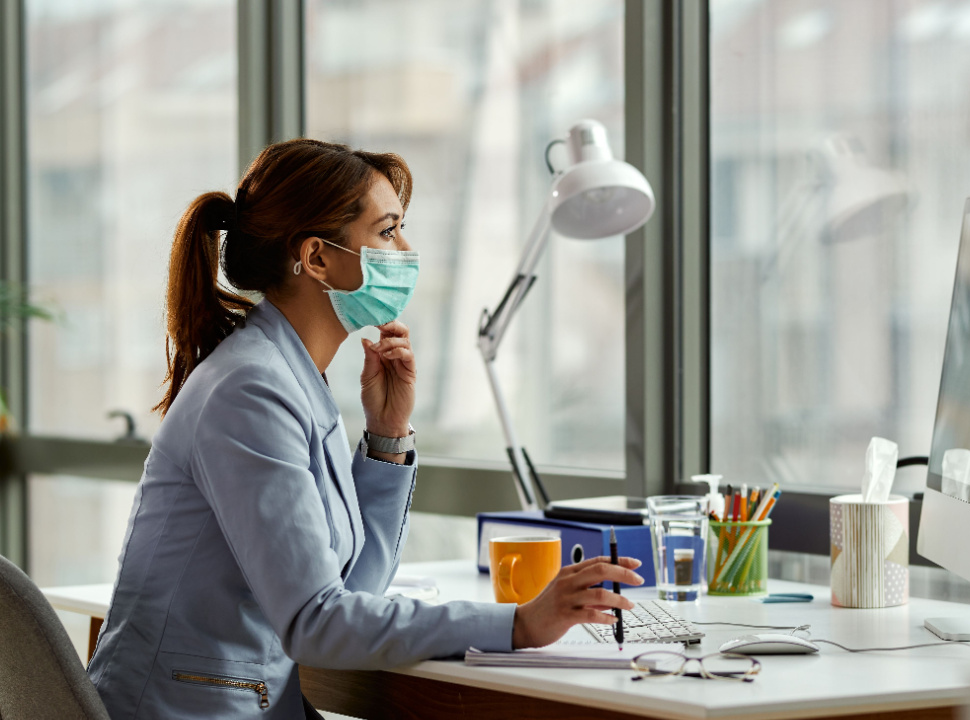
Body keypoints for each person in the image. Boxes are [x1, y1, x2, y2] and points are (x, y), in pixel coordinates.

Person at [86, 139, 642, 719]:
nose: (405, 249)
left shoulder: (288, 375)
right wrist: (521, 622)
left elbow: (352, 594)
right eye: (387, 231)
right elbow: (317, 623)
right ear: (318, 259)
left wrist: (387, 435)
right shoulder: (250, 391)